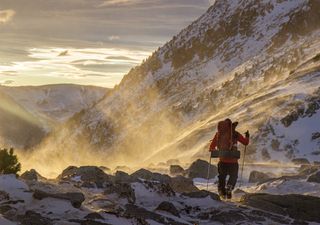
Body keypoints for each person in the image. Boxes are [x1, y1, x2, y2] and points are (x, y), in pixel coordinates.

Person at [209, 118, 249, 199]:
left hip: (222, 161)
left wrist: (218, 150)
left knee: (222, 177)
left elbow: (211, 148)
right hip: (233, 161)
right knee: (233, 176)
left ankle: (222, 193)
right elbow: (245, 143)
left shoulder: (218, 134)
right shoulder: (235, 134)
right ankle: (229, 188)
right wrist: (247, 136)